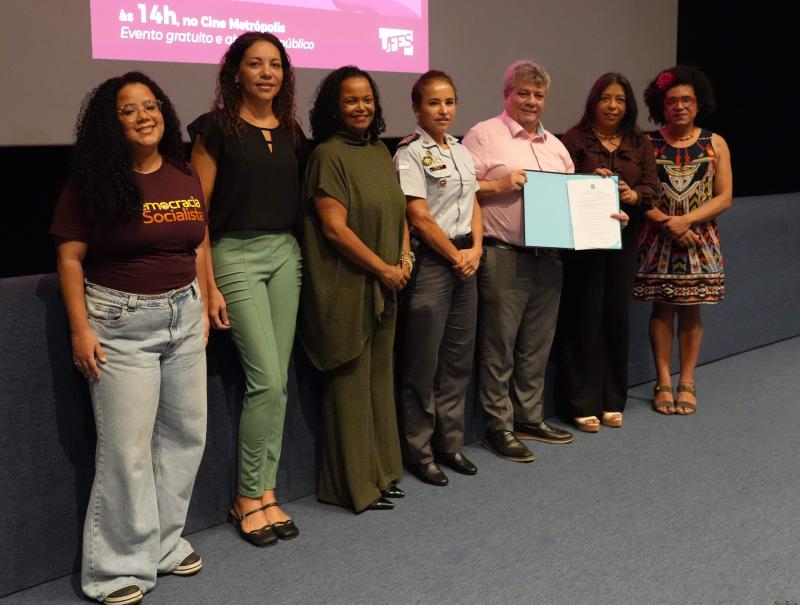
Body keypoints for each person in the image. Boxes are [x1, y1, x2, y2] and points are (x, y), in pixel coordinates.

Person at [51, 72, 208, 605]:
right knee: (127, 451)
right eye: (128, 110)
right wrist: (80, 329)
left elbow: (197, 242)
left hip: (184, 317)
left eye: (150, 106)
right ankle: (115, 568)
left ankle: (163, 545)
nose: (144, 116)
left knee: (186, 439)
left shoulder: (184, 174)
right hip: (120, 325)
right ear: (110, 124)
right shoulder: (92, 183)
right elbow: (70, 257)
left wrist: (205, 304)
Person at [188, 32, 304, 546]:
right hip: (234, 255)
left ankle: (267, 494)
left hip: (285, 255)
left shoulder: (293, 130)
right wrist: (207, 285)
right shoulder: (214, 129)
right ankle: (246, 496)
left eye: (274, 64)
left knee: (277, 381)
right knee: (266, 382)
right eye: (254, 64)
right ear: (235, 71)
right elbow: (197, 216)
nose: (266, 73)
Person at [301, 65, 410, 512]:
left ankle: (382, 474)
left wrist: (403, 260)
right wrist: (383, 269)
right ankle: (352, 486)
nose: (361, 107)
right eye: (351, 100)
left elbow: (401, 211)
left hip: (387, 282)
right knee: (350, 387)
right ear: (335, 106)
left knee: (379, 383)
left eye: (367, 99)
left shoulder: (380, 152)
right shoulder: (327, 155)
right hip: (348, 287)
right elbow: (334, 230)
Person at [461, 59, 576, 463]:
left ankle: (530, 417)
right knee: (499, 346)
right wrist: (500, 183)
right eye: (523, 93)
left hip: (550, 259)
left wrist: (604, 216)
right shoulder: (483, 135)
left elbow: (572, 203)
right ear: (507, 94)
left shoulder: (557, 147)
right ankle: (499, 426)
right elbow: (457, 188)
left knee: (536, 346)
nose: (531, 101)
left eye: (538, 95)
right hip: (504, 255)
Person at [394, 70, 482, 486]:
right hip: (433, 260)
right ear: (416, 108)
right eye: (433, 102)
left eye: (449, 102)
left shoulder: (462, 150)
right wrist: (456, 257)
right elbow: (418, 216)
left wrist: (477, 251)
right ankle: (420, 450)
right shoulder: (408, 153)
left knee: (457, 360)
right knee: (423, 362)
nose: (443, 110)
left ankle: (450, 443)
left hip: (467, 258)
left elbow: (474, 203)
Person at [557, 73, 659, 432]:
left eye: (619, 99)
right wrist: (585, 183)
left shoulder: (639, 141)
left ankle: (613, 399)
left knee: (616, 318)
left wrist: (634, 195)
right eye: (605, 99)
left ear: (628, 105)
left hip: (623, 241)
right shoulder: (573, 139)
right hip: (584, 244)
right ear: (593, 102)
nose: (613, 106)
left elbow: (653, 187)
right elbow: (559, 185)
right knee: (583, 319)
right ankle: (581, 402)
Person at [633, 65, 733, 415]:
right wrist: (666, 224)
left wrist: (686, 220)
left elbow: (724, 196)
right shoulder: (647, 143)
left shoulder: (715, 143)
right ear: (661, 105)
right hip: (656, 241)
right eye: (672, 100)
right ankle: (663, 380)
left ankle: (687, 380)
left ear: (698, 103)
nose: (679, 106)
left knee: (691, 312)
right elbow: (638, 194)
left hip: (699, 241)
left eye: (686, 100)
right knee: (661, 309)